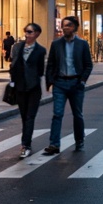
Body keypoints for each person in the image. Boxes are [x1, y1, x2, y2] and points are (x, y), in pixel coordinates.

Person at [44, 16, 93, 155]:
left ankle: (79, 141)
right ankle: (54, 144)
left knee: (77, 114)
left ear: (75, 27)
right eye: (64, 25)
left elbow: (88, 65)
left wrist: (82, 81)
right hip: (60, 83)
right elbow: (51, 64)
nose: (65, 28)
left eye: (69, 25)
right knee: (57, 114)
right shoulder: (56, 44)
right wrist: (49, 81)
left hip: (76, 83)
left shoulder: (82, 44)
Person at [8, 23, 47, 159]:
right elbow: (12, 65)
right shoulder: (17, 47)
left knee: (30, 117)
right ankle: (26, 141)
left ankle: (25, 145)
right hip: (19, 87)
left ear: (36, 34)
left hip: (33, 88)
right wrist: (13, 81)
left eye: (30, 32)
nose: (27, 35)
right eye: (26, 32)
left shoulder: (41, 50)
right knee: (24, 117)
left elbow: (40, 71)